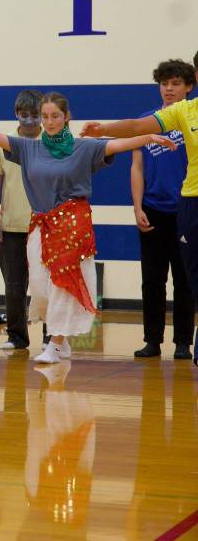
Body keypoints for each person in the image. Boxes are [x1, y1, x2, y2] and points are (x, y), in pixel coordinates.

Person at [0, 93, 175, 363]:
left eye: (55, 116)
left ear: (66, 117)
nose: (49, 122)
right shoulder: (28, 148)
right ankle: (60, 342)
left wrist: (149, 138)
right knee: (40, 287)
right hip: (40, 223)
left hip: (72, 222)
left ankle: (55, 341)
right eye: (45, 116)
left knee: (61, 285)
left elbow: (118, 144)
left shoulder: (83, 147)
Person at [80, 61, 196, 361]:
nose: (168, 89)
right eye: (164, 83)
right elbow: (137, 166)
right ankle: (152, 340)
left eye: (174, 83)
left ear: (189, 86)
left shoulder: (187, 117)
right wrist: (137, 207)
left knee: (185, 279)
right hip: (153, 209)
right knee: (152, 278)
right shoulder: (152, 120)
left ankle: (184, 341)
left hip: (184, 208)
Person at [0, 89, 43, 351]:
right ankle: (16, 336)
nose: (29, 121)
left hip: (45, 225)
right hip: (11, 225)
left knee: (46, 287)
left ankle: (52, 339)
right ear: (16, 114)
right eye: (24, 115)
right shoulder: (2, 143)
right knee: (14, 286)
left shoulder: (52, 141)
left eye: (34, 116)